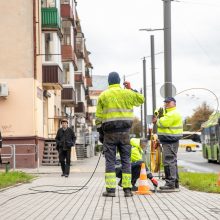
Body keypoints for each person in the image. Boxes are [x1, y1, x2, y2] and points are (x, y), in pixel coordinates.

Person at [96, 72, 144, 197]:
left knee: (110, 161)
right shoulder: (127, 93)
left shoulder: (103, 95)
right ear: (118, 81)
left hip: (109, 134)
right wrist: (130, 89)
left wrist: (101, 134)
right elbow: (141, 99)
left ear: (109, 82)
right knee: (126, 161)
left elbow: (98, 118)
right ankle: (127, 190)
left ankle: (111, 191)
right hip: (125, 134)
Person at [152, 97, 183, 190]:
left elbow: (163, 123)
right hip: (168, 140)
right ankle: (175, 182)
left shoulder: (174, 113)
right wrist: (157, 113)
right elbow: (157, 113)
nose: (166, 104)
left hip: (171, 141)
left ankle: (170, 183)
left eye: (169, 102)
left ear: (174, 103)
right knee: (172, 161)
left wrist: (157, 120)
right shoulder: (168, 113)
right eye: (165, 102)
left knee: (169, 161)